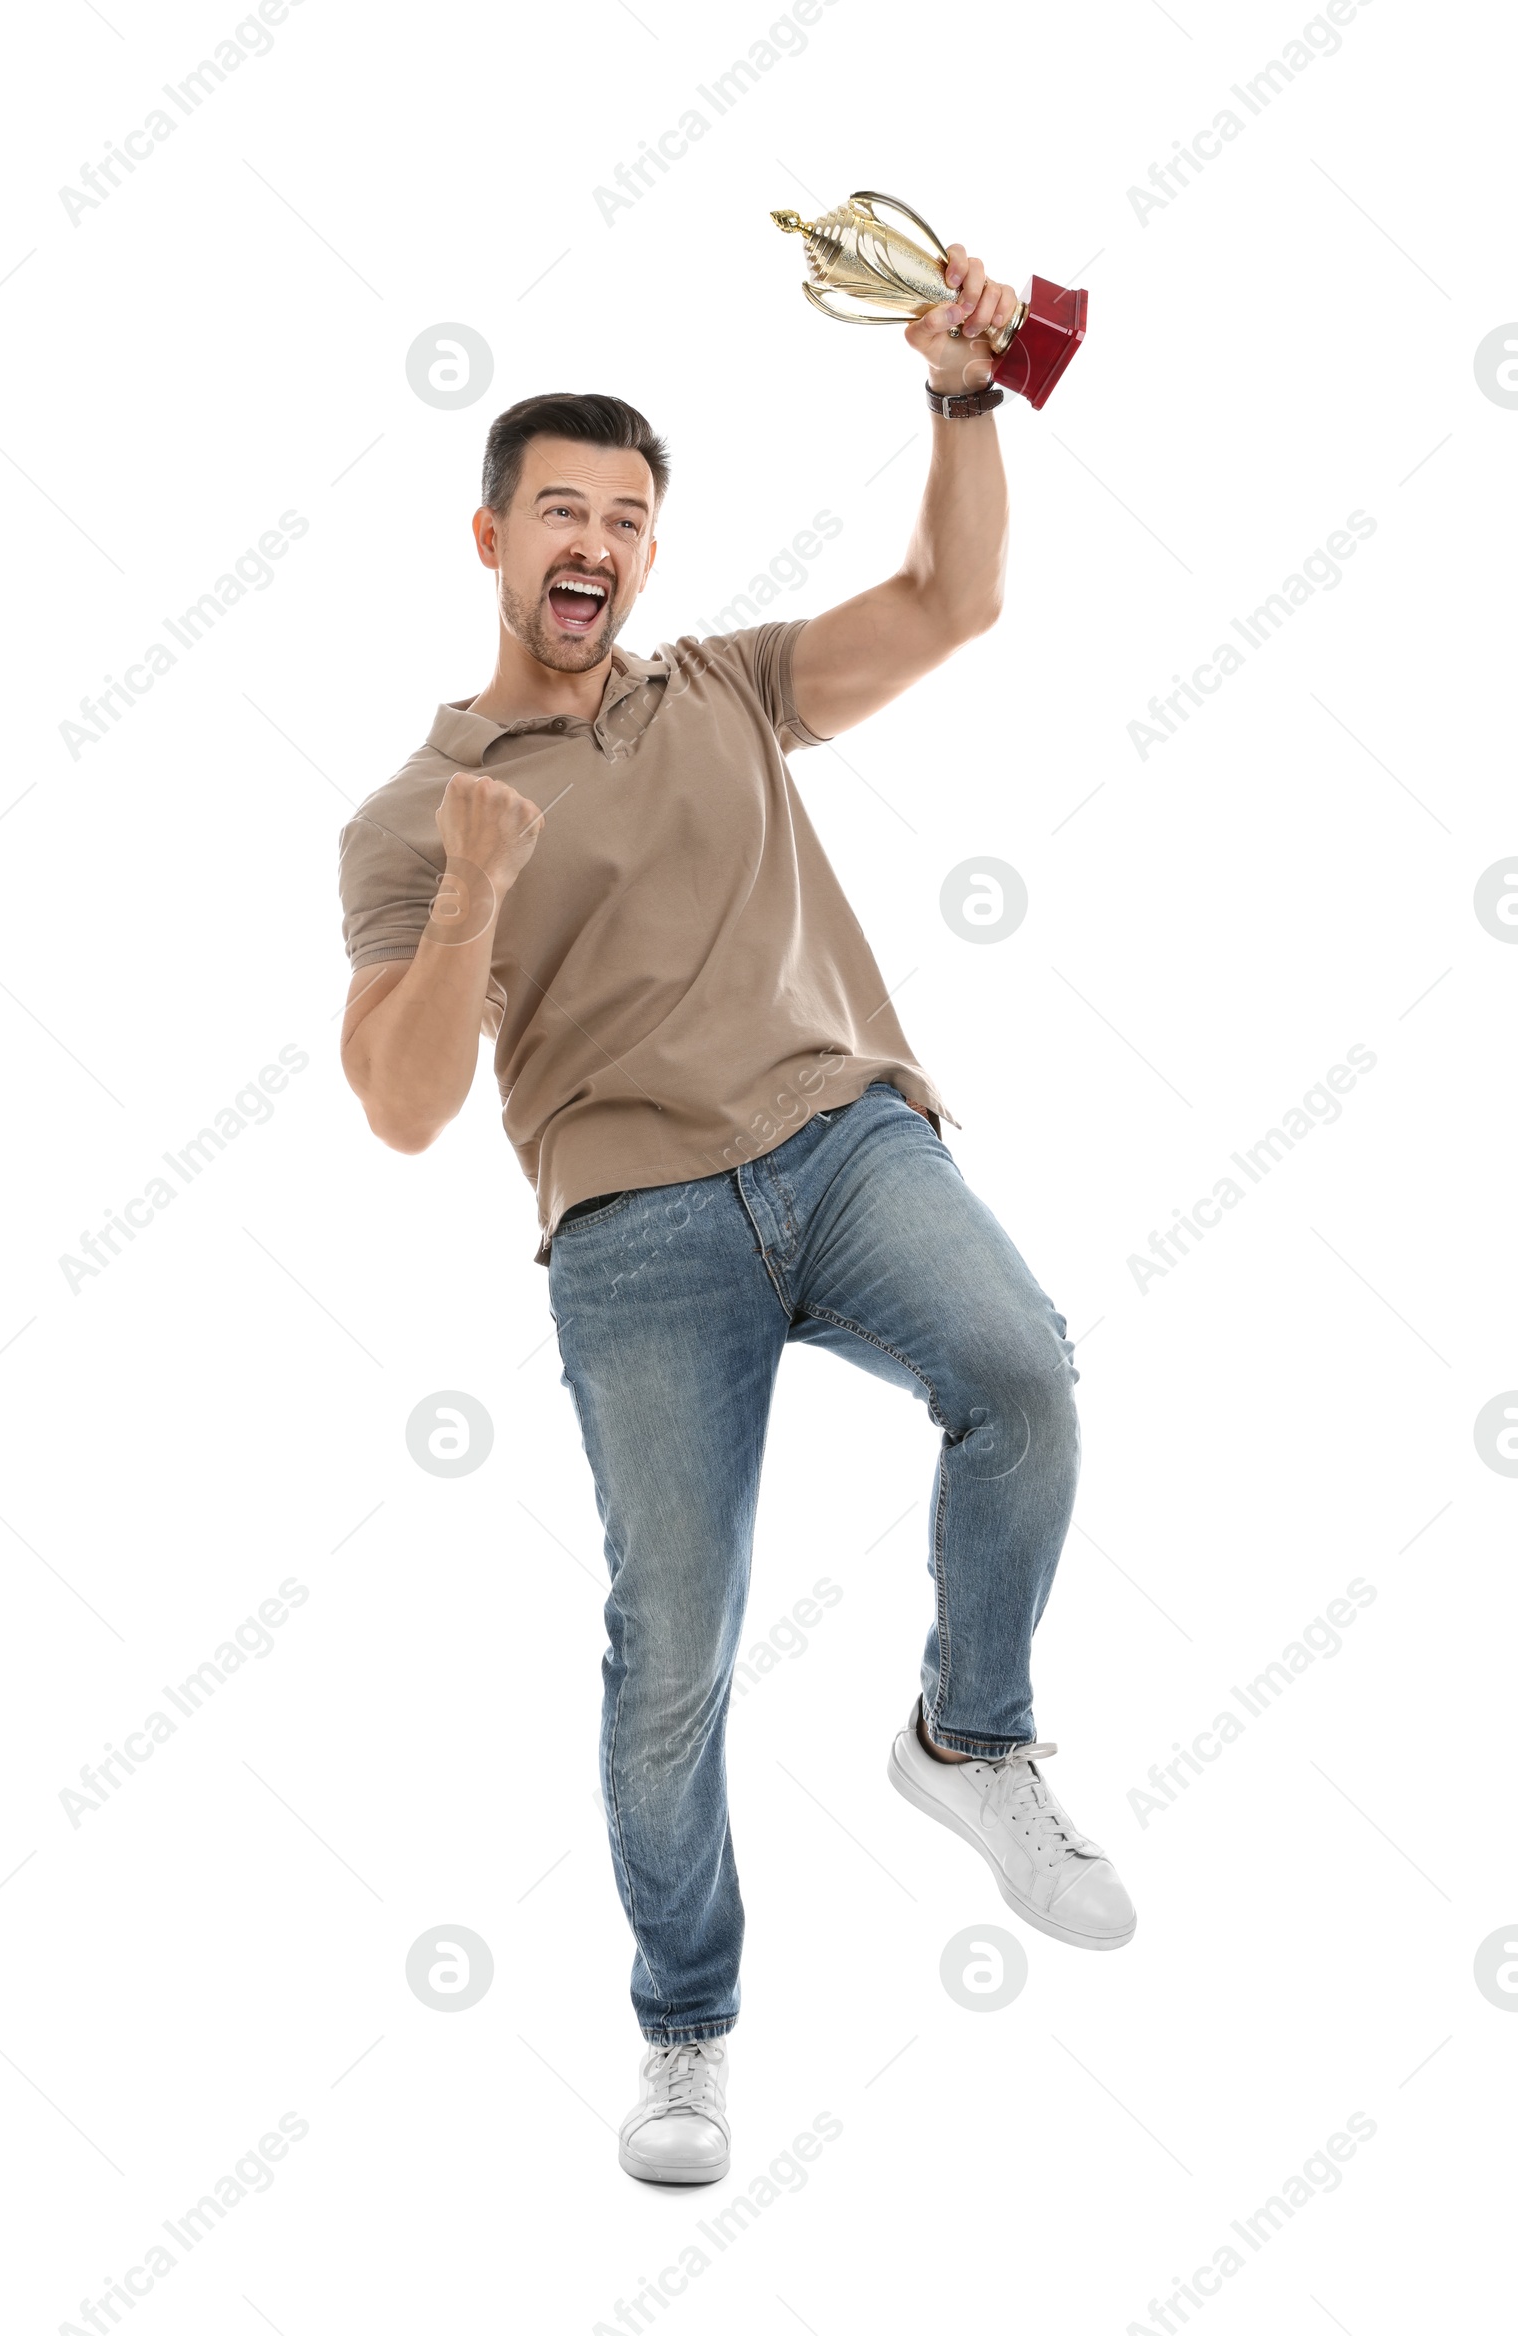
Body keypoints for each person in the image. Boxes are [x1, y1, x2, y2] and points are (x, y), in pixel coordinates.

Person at [337, 238, 1135, 2188]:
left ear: (646, 555)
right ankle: (684, 2029)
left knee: (1018, 1367)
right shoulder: (405, 818)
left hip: (840, 1138)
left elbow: (954, 596)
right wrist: (467, 893)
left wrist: (958, 395)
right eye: (559, 512)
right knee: (670, 1651)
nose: (593, 542)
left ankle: (969, 1738)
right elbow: (403, 1106)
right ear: (491, 539)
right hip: (630, 1222)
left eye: (626, 517)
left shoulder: (718, 691)